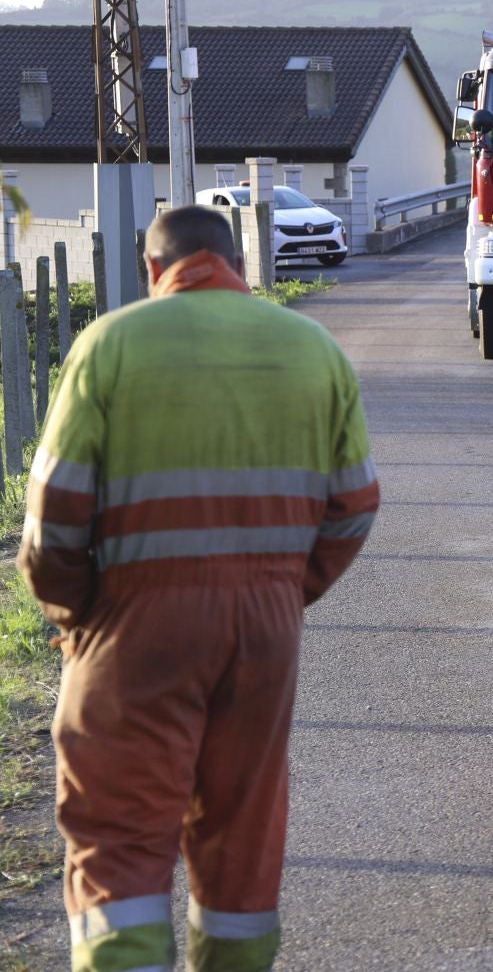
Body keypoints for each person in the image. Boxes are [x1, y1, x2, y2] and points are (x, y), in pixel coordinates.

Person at [18, 206, 378, 972]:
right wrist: (286, 588)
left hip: (133, 619)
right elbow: (354, 505)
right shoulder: (314, 349)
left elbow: (53, 517)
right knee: (244, 822)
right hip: (267, 627)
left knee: (117, 825)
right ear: (236, 266)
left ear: (155, 271)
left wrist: (74, 611)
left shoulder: (109, 344)